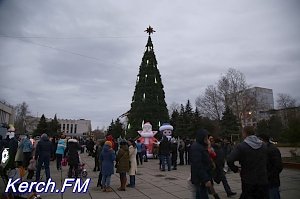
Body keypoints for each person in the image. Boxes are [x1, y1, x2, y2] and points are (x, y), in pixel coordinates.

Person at [227, 126, 269, 199]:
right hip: (262, 179)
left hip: (248, 180)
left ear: (244, 133)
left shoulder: (241, 146)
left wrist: (235, 169)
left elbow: (229, 160)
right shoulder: (264, 145)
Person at [258, 134, 283, 199]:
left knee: (273, 195)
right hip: (265, 181)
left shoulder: (272, 149)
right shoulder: (263, 149)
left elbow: (278, 166)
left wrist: (268, 176)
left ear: (262, 140)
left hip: (271, 182)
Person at [190, 129, 213, 199]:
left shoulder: (201, 146)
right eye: (206, 138)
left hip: (201, 178)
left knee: (199, 195)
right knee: (202, 195)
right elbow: (198, 165)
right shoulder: (197, 147)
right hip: (201, 179)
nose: (207, 139)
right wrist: (205, 179)